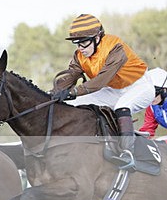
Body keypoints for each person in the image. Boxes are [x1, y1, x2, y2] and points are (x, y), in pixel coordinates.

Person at [50, 14, 153, 169]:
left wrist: (73, 92)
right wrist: (52, 94)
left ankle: (128, 153)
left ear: (97, 37)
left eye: (84, 42)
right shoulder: (79, 56)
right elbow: (70, 76)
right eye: (77, 43)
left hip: (139, 86)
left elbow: (100, 81)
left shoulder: (115, 47)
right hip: (113, 89)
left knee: (122, 107)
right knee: (75, 103)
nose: (80, 48)